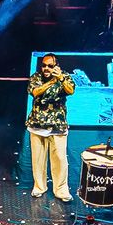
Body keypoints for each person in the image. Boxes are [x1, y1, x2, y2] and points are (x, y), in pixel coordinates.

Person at [27, 54, 76, 201]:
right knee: (38, 159)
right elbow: (35, 92)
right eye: (44, 65)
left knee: (60, 158)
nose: (46, 68)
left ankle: (61, 190)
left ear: (56, 66)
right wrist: (52, 82)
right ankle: (39, 186)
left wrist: (60, 78)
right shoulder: (36, 77)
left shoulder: (64, 76)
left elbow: (71, 90)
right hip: (37, 124)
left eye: (50, 65)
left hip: (57, 125)